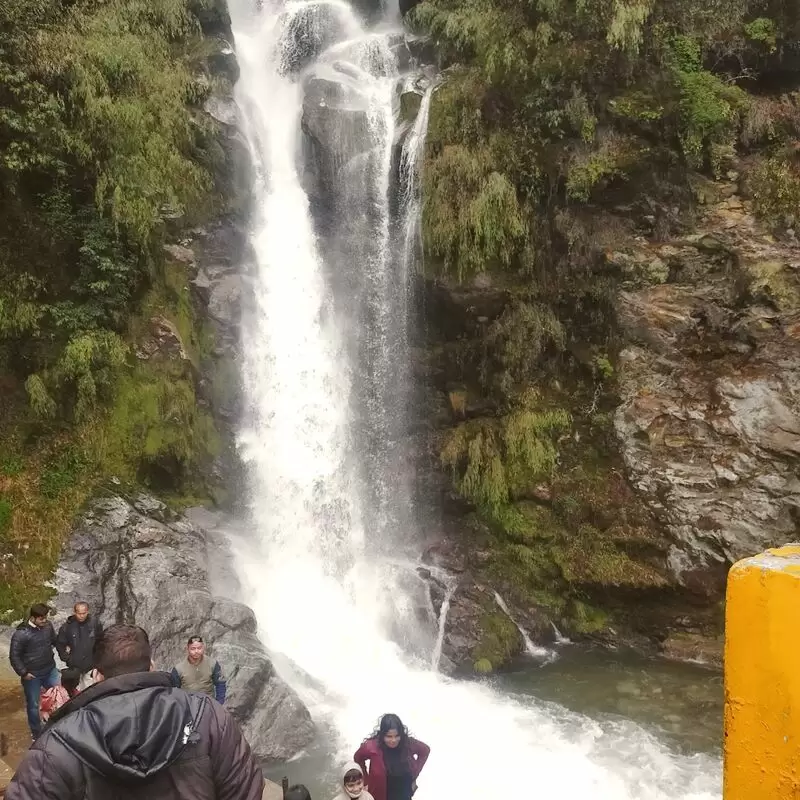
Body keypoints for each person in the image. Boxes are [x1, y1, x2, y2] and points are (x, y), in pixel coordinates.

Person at [5, 624, 265, 800]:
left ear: (97, 675)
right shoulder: (208, 716)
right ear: (151, 666)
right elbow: (246, 790)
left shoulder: (55, 745)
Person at [8, 603, 59, 740]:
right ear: (33, 618)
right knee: (33, 705)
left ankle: (56, 725)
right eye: (41, 618)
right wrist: (24, 673)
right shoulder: (21, 634)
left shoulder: (48, 626)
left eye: (45, 617)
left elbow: (54, 641)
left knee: (59, 696)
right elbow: (14, 656)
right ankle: (37, 734)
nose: (45, 621)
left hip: (50, 670)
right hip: (32, 676)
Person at [354, 714, 430, 800]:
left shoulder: (407, 744)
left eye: (397, 736)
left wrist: (415, 773)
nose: (393, 740)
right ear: (382, 735)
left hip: (404, 794)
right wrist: (365, 781)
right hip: (380, 795)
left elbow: (425, 750)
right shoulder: (371, 746)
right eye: (389, 736)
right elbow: (358, 758)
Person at [56, 601, 104, 690]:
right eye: (79, 613)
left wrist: (98, 658)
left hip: (90, 665)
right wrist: (67, 658)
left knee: (90, 691)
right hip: (74, 666)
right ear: (74, 612)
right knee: (76, 692)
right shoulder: (67, 627)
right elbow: (60, 644)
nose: (81, 616)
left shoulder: (95, 623)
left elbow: (101, 641)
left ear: (88, 611)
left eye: (84, 613)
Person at [170, 634, 227, 704]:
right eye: (193, 648)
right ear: (187, 649)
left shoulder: (212, 664)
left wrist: (219, 703)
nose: (196, 651)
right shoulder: (178, 669)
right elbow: (174, 690)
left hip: (208, 703)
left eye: (199, 648)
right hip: (188, 705)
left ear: (203, 648)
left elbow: (220, 684)